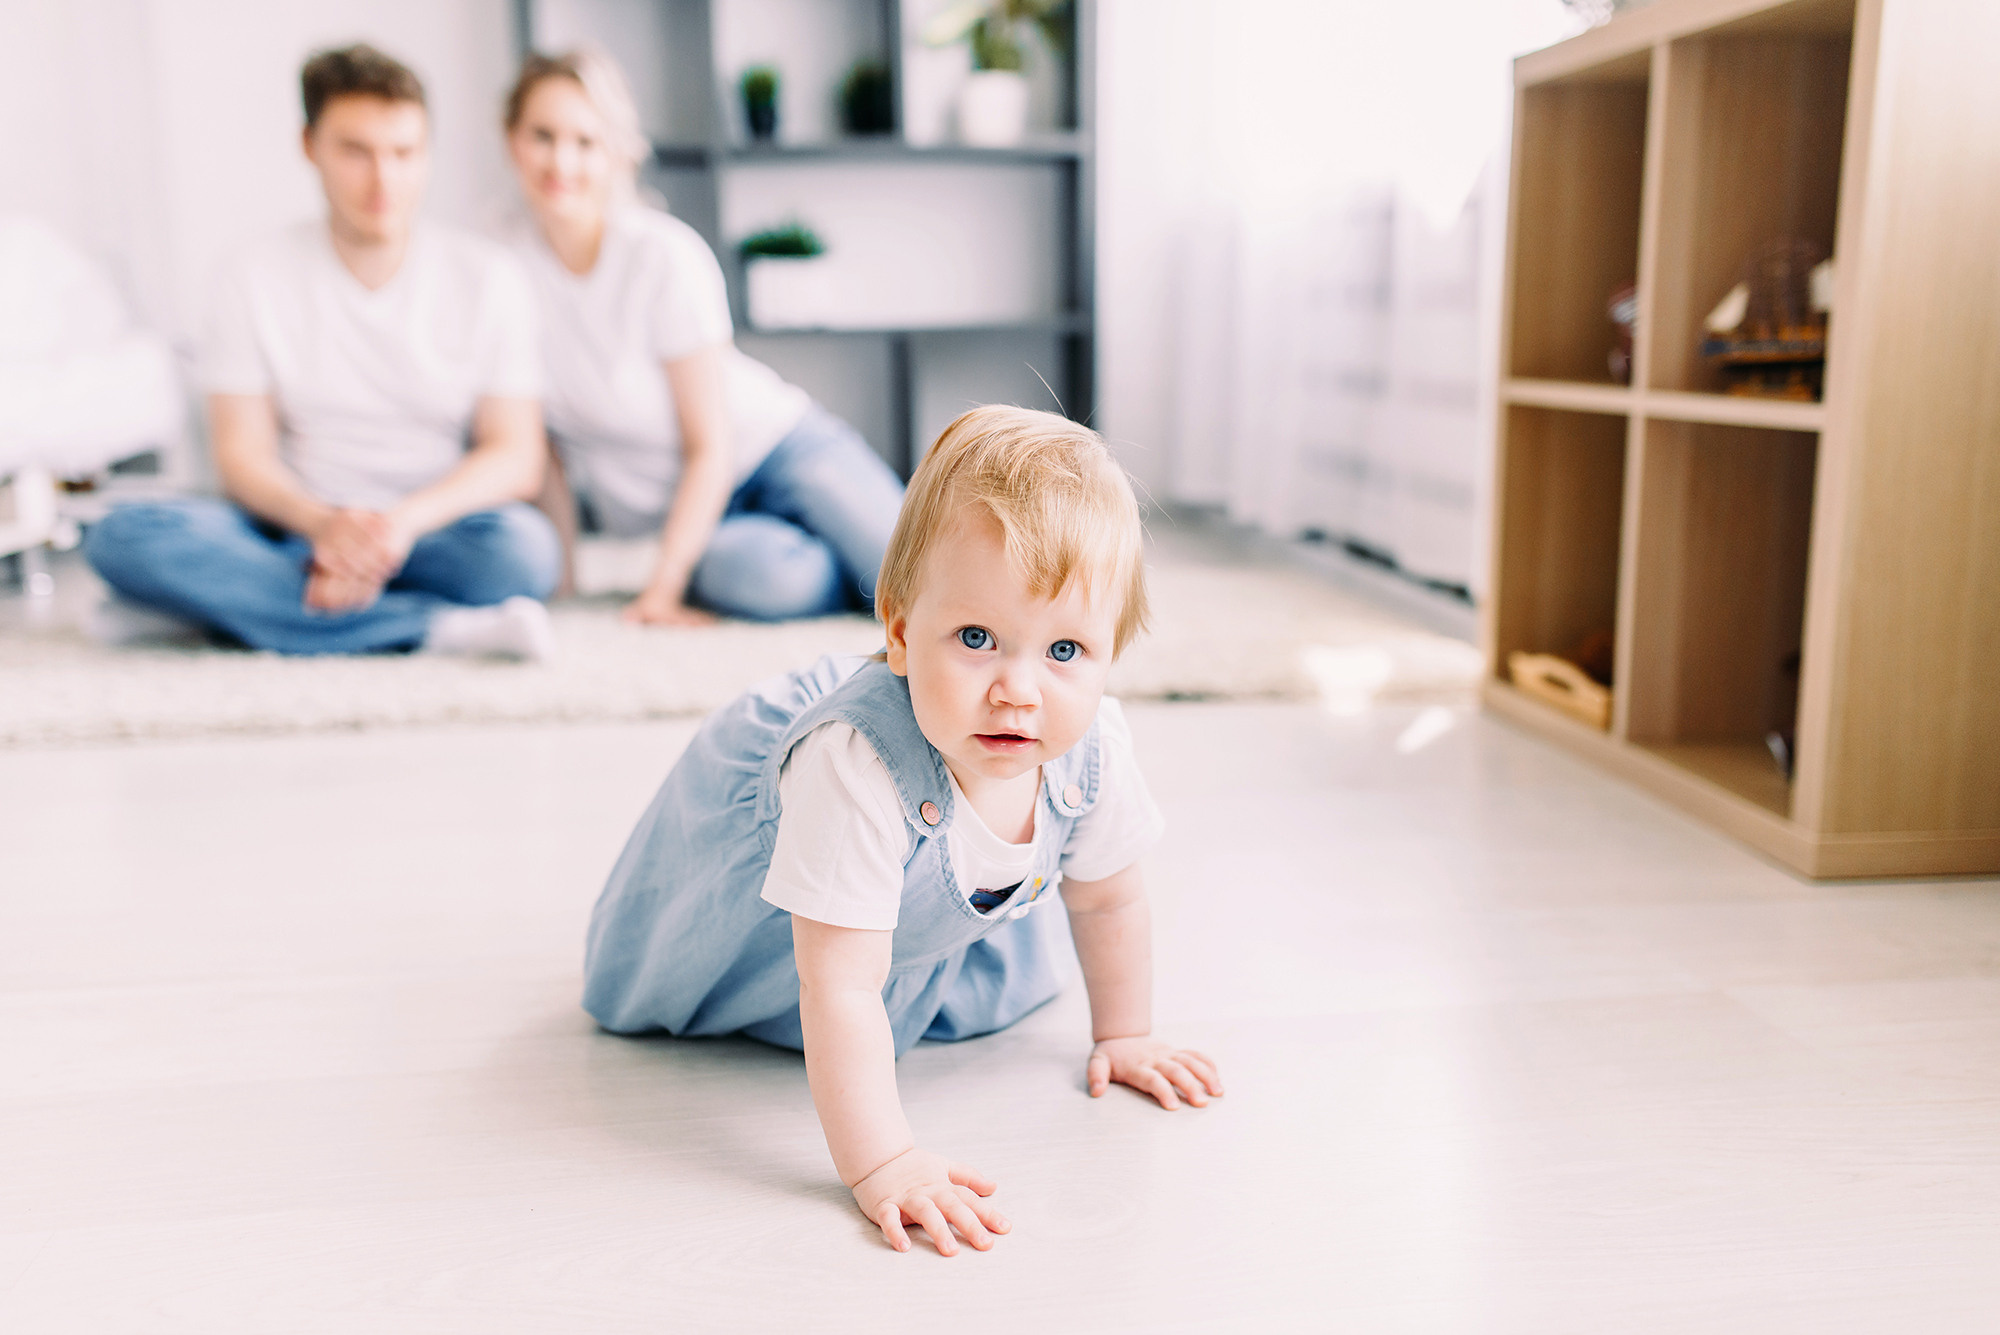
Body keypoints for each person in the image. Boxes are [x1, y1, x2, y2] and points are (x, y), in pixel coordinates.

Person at [582, 405, 1224, 1254]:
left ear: (1112, 650)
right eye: (976, 638)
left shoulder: (1092, 746)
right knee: (838, 962)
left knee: (993, 975)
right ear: (898, 631)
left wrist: (1125, 1033)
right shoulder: (855, 766)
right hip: (776, 926)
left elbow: (1109, 901)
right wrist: (884, 1160)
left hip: (922, 915)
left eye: (1065, 651)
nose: (1019, 690)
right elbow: (840, 987)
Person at [85, 45, 560, 659]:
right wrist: (326, 527)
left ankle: (235, 612)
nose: (383, 180)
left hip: (431, 533)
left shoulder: (488, 277)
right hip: (294, 530)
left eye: (404, 153)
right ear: (309, 146)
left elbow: (515, 456)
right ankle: (439, 628)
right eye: (356, 152)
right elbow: (241, 455)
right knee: (122, 537)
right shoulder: (251, 272)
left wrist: (395, 527)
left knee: (524, 552)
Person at [497, 50, 905, 625]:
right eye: (543, 136)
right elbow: (545, 450)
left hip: (780, 450)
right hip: (709, 524)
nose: (562, 160)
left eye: (585, 141)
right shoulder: (501, 270)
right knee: (760, 578)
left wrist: (663, 590)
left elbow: (710, 444)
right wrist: (561, 590)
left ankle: (860, 559)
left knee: (917, 581)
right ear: (512, 140)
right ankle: (845, 574)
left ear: (616, 153)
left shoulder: (662, 254)